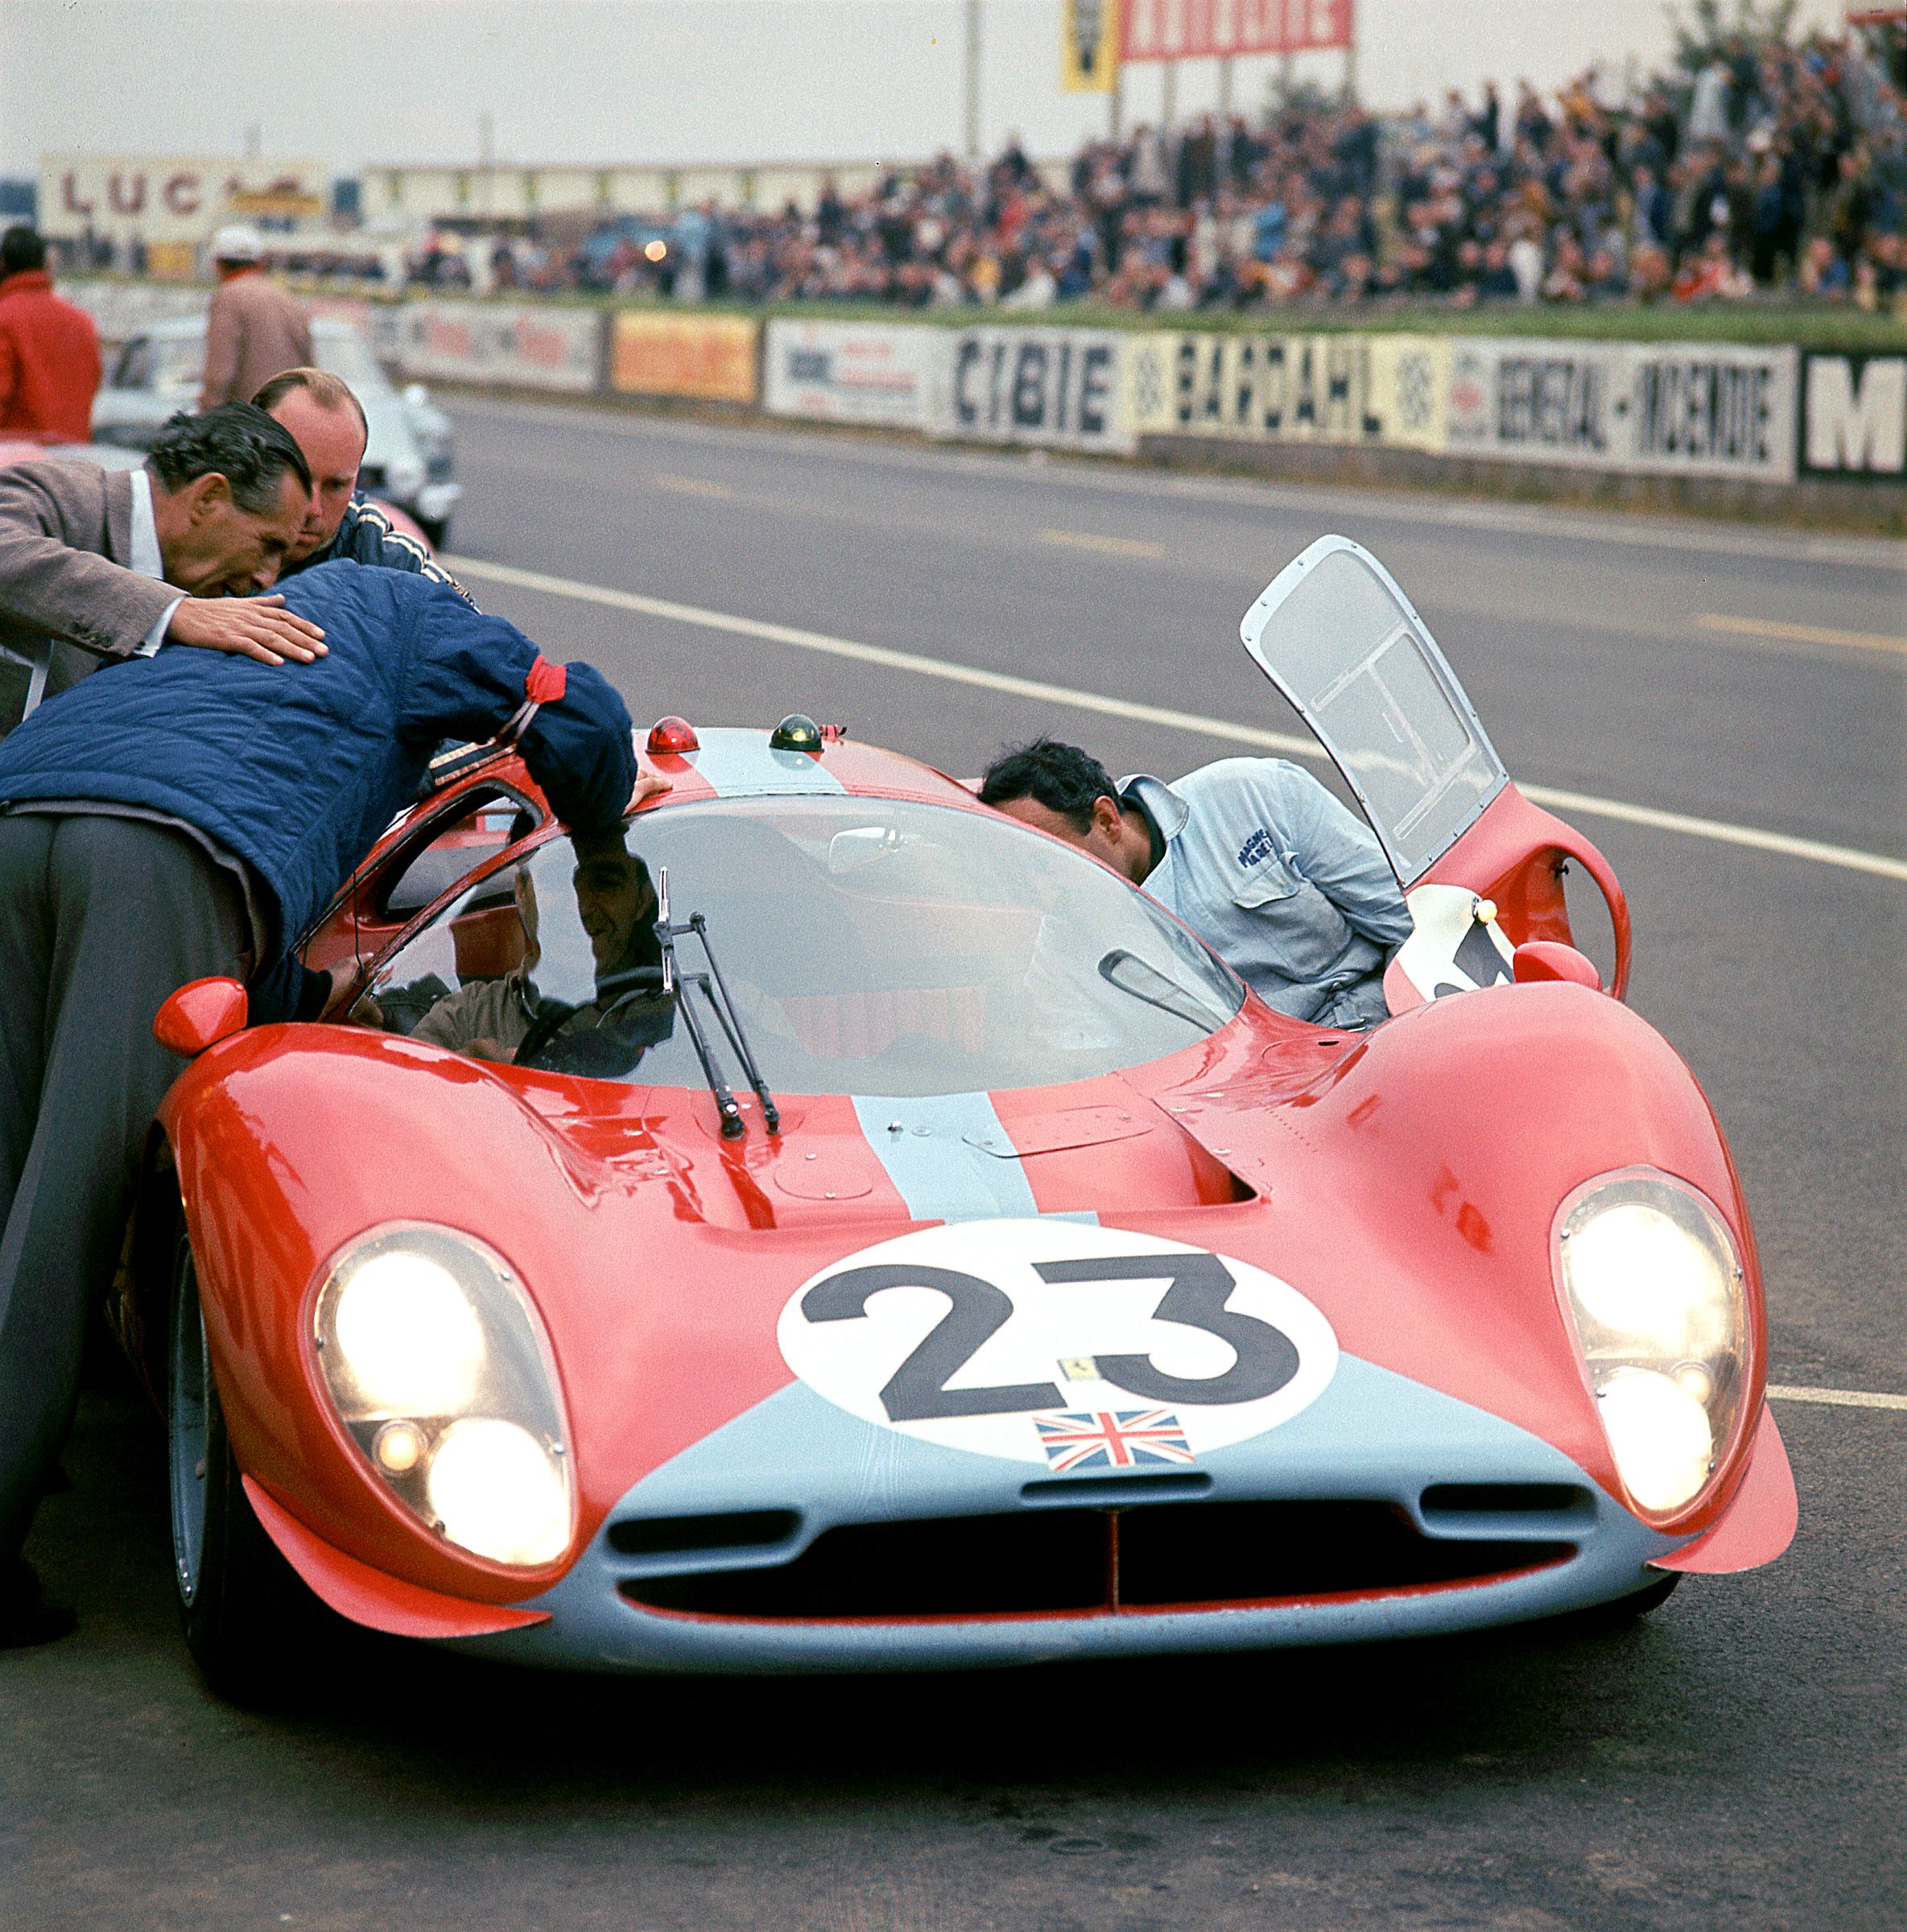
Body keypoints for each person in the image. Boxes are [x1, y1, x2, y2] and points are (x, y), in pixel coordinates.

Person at [0, 555, 658, 1646]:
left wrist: (302, 996)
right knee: (65, 1214)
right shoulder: (412, 614)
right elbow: (574, 716)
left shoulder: (252, 628)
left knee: (7, 1179)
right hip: (152, 849)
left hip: (19, 814)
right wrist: (604, 850)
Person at [977, 738, 1411, 1030]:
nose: (1041, 893)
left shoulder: (1253, 795)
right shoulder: (1060, 965)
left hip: (1385, 1028)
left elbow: (1407, 919)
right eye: (1020, 870)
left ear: (1106, 820)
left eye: (1048, 861)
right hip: (1253, 1103)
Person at [0, 404, 324, 728]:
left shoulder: (201, 596)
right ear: (208, 497)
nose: (267, 578)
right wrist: (166, 612)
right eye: (269, 546)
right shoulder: (61, 496)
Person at [251, 366, 464, 592]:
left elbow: (464, 611)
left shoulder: (385, 557)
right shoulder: (221, 531)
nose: (313, 509)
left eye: (336, 485)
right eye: (296, 479)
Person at [0, 226, 101, 443]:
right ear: (45, 264)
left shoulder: (4, 319)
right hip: (75, 454)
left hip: (18, 456)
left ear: (3, 265)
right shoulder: (81, 322)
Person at [197, 225, 313, 413]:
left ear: (217, 265)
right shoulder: (287, 299)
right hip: (289, 418)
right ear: (260, 263)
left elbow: (220, 375)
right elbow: (309, 370)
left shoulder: (228, 297)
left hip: (248, 419)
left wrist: (207, 415)